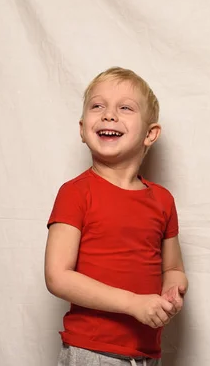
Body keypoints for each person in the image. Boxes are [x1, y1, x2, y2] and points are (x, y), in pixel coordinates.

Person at [44, 67, 188, 366]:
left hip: (147, 356)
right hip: (91, 353)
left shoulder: (163, 200)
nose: (109, 115)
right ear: (83, 129)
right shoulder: (75, 193)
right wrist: (133, 303)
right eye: (98, 106)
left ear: (150, 134)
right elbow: (57, 276)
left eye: (125, 108)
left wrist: (172, 294)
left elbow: (173, 268)